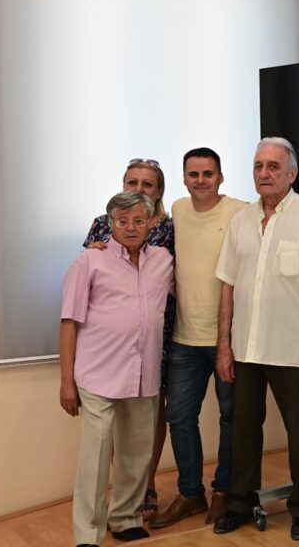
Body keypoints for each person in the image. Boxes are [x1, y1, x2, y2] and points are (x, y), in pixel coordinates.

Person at [212, 137, 299, 542]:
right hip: (246, 347)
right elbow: (228, 287)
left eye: (273, 166)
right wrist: (223, 345)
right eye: (258, 166)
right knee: (243, 430)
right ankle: (239, 503)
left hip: (296, 348)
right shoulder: (240, 221)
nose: (264, 174)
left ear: (292, 174)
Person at [60, 192, 174, 546]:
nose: (130, 228)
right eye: (122, 221)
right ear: (110, 223)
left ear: (150, 222)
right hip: (97, 375)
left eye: (138, 221)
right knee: (95, 458)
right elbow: (69, 321)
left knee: (137, 453)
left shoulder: (164, 260)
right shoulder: (89, 262)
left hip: (144, 373)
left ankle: (124, 518)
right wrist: (66, 382)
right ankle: (87, 535)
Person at [147, 148, 246, 527]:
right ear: (184, 178)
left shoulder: (240, 210)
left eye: (208, 173)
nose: (201, 180)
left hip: (228, 338)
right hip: (184, 339)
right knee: (179, 416)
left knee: (231, 418)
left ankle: (224, 491)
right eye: (193, 174)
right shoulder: (178, 211)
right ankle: (191, 493)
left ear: (220, 176)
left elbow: (279, 215)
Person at [84, 158, 174, 519]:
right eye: (132, 181)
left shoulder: (170, 230)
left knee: (148, 419)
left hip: (157, 337)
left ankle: (144, 487)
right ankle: (102, 500)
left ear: (159, 191)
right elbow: (88, 274)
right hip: (108, 344)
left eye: (148, 184)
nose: (139, 188)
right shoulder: (103, 225)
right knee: (105, 428)